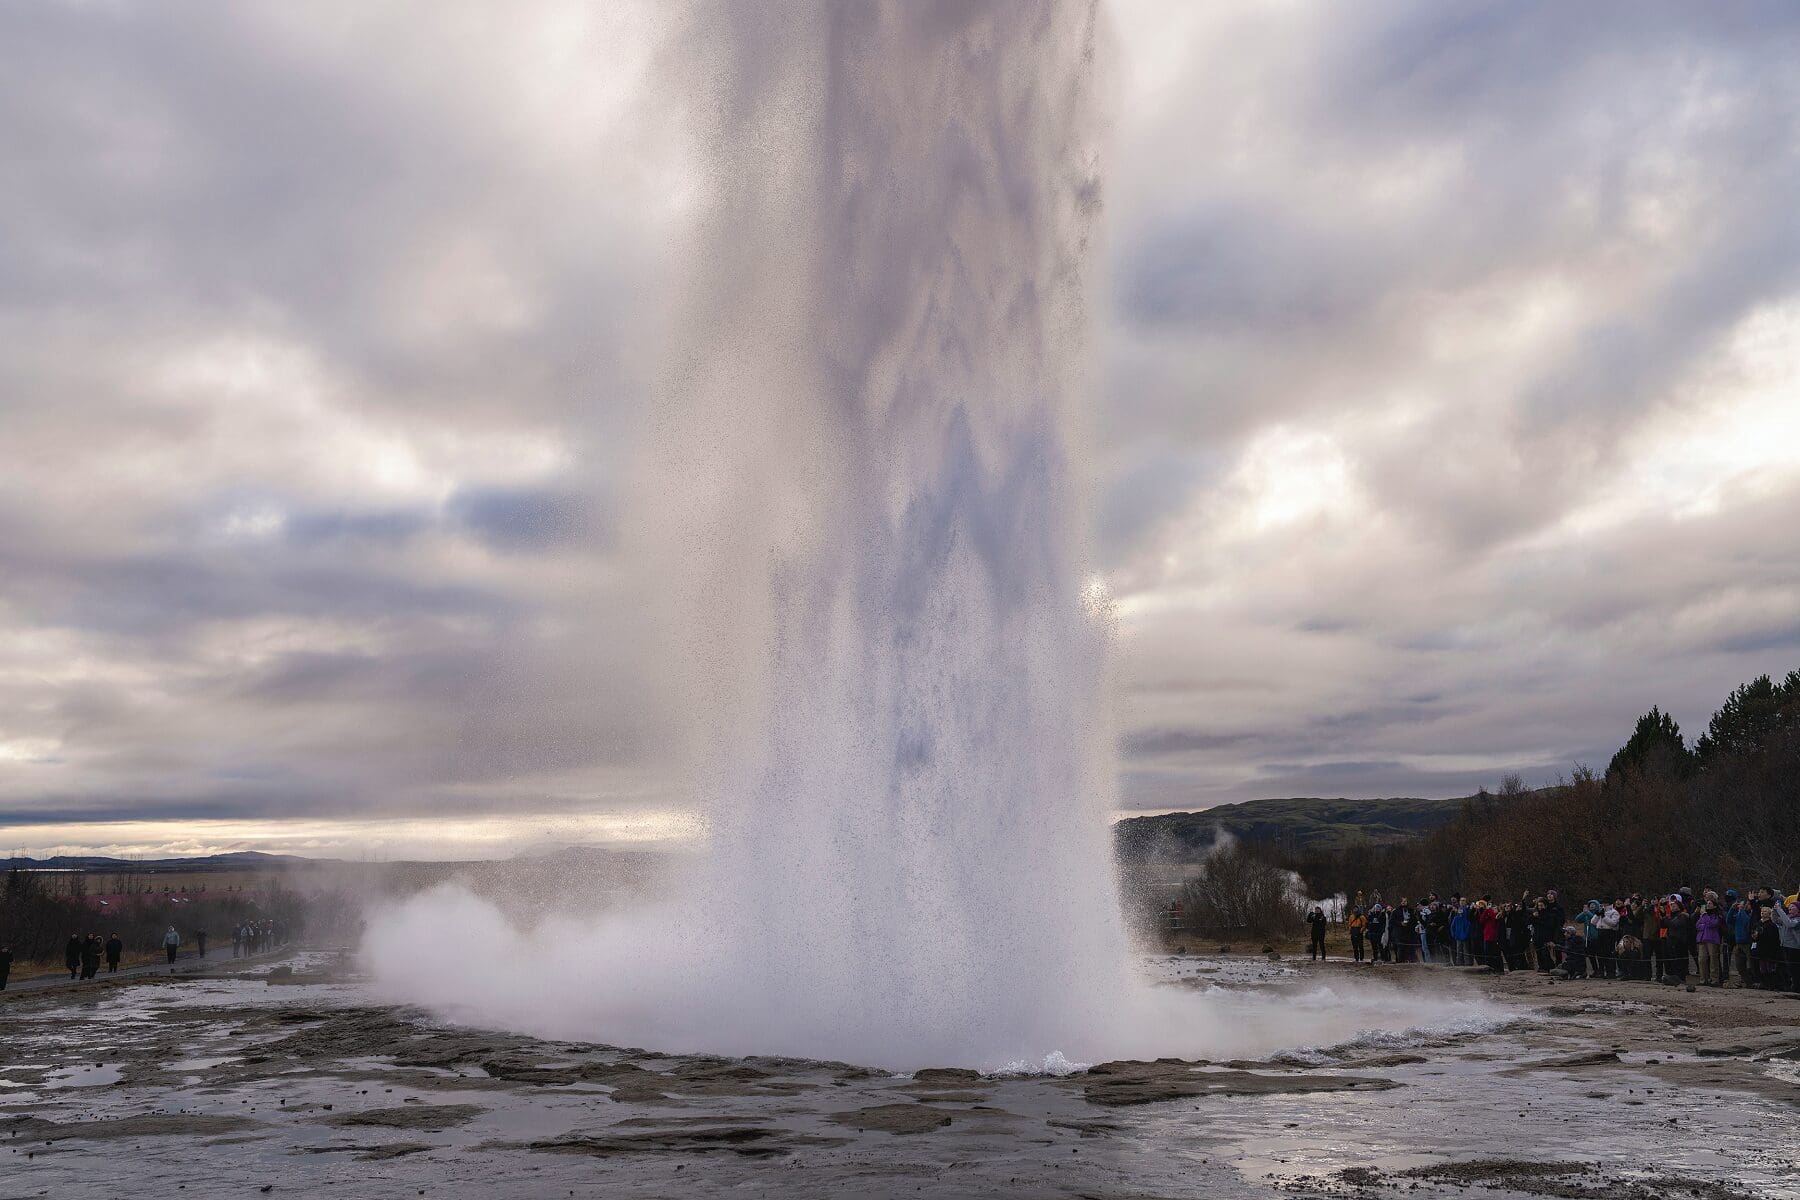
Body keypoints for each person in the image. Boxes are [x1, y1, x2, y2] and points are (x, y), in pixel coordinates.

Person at [1770, 888, 1800, 993]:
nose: (1790, 908)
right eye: (1790, 906)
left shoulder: (1797, 919)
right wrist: (1774, 910)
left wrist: (1780, 910)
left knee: (1795, 968)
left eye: (1793, 907)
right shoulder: (1787, 916)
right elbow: (1775, 920)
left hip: (1795, 947)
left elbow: (1789, 924)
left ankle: (1796, 987)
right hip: (1785, 945)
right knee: (1788, 968)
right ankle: (1791, 985)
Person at [1695, 900, 1725, 987]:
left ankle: (1714, 979)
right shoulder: (1704, 915)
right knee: (1701, 960)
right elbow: (1697, 925)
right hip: (1702, 939)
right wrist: (1704, 924)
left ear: (1714, 906)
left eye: (1710, 903)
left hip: (1712, 939)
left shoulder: (1717, 915)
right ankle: (1703, 979)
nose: (1707, 905)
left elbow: (1713, 924)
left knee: (1713, 960)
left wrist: (1705, 918)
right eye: (1707, 903)